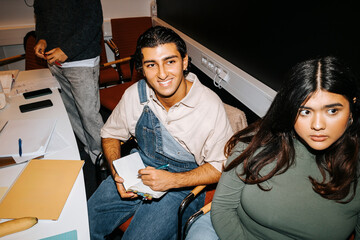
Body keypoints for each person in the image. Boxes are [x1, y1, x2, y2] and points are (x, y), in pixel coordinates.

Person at [186, 56, 360, 240]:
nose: (318, 125)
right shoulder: (256, 143)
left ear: (352, 108)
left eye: (332, 111)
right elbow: (223, 207)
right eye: (305, 112)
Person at [87, 26, 234, 240]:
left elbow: (221, 167)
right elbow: (110, 134)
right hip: (137, 171)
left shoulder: (209, 106)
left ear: (184, 62)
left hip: (183, 184)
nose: (162, 73)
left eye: (170, 61)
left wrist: (171, 181)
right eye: (151, 65)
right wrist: (117, 171)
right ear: (142, 69)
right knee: (85, 222)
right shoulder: (134, 95)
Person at [33, 0, 104, 163]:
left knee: (88, 113)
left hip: (82, 61)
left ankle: (104, 157)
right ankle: (92, 150)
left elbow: (93, 21)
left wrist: (67, 50)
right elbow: (42, 17)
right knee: (70, 110)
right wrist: (42, 38)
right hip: (53, 60)